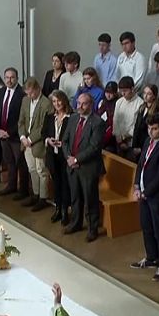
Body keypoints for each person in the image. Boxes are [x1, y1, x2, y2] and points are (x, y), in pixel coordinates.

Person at [131, 114, 159, 278]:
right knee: (146, 226)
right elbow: (141, 164)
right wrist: (136, 185)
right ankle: (151, 257)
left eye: (155, 129)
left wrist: (145, 193)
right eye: (149, 128)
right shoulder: (148, 142)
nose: (151, 132)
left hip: (155, 196)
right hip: (143, 193)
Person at [65, 92, 107, 242]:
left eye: (83, 104)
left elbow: (94, 147)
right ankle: (75, 223)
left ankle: (92, 228)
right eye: (78, 103)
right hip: (72, 166)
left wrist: (77, 159)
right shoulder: (73, 118)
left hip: (88, 167)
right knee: (75, 196)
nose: (79, 106)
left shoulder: (98, 123)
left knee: (90, 199)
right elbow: (65, 141)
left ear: (91, 105)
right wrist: (69, 158)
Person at [19, 78, 54, 211]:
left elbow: (43, 126)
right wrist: (23, 137)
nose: (29, 96)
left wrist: (31, 139)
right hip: (25, 141)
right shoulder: (25, 100)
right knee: (32, 169)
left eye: (31, 93)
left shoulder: (46, 104)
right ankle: (35, 194)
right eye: (27, 93)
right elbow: (21, 121)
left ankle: (43, 198)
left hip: (38, 142)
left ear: (38, 89)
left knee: (41, 170)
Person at [0, 68, 28, 199]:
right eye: (7, 77)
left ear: (17, 78)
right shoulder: (1, 92)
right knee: (9, 161)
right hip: (2, 135)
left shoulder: (22, 94)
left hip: (16, 136)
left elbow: (22, 118)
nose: (9, 80)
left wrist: (9, 132)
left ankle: (23, 190)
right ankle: (11, 185)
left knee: (20, 162)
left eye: (12, 77)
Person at [45, 90, 73, 224]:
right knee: (56, 184)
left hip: (65, 156)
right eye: (54, 101)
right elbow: (44, 132)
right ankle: (57, 208)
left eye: (59, 100)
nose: (57, 104)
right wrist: (48, 140)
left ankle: (64, 211)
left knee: (65, 184)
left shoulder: (71, 117)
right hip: (53, 155)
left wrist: (63, 144)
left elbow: (74, 138)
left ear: (64, 100)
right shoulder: (50, 117)